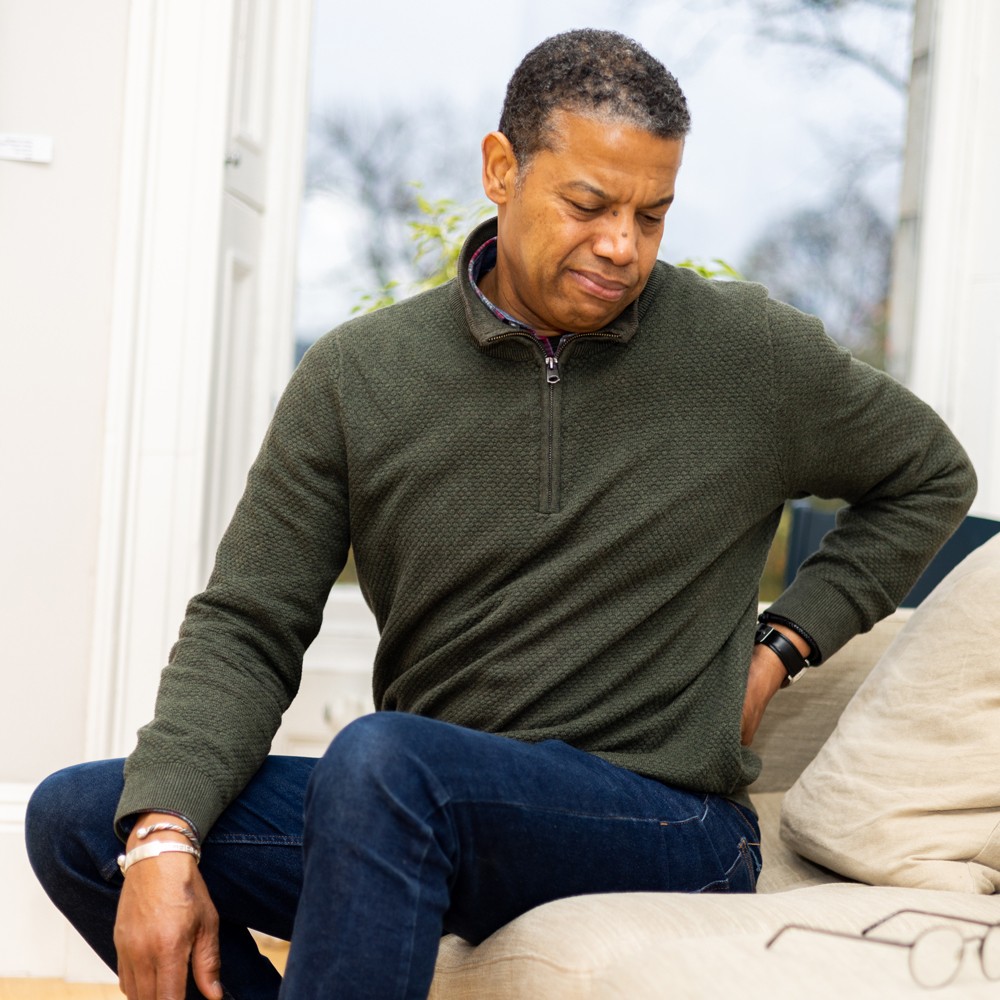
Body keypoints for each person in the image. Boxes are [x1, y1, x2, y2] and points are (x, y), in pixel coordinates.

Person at [27, 27, 975, 1000]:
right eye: (589, 203)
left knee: (385, 766)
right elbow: (247, 622)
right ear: (499, 170)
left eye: (652, 214)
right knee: (82, 820)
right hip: (425, 810)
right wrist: (163, 832)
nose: (622, 244)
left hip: (663, 819)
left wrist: (782, 643)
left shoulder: (745, 354)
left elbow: (930, 474)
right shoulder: (358, 377)